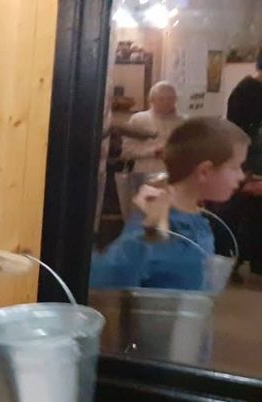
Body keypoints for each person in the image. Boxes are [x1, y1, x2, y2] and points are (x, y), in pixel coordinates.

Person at [91, 117, 250, 291]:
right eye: (235, 167)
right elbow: (104, 279)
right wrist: (150, 229)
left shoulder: (197, 218)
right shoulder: (158, 217)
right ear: (204, 172)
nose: (241, 176)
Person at [218, 55, 262, 276]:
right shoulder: (245, 92)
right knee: (237, 213)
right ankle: (227, 262)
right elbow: (239, 133)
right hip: (247, 161)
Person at [122, 81, 185, 175]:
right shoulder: (138, 119)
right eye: (161, 99)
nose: (166, 102)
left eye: (170, 98)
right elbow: (127, 151)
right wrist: (154, 151)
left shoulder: (184, 122)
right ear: (152, 100)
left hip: (176, 174)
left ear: (176, 99)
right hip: (145, 174)